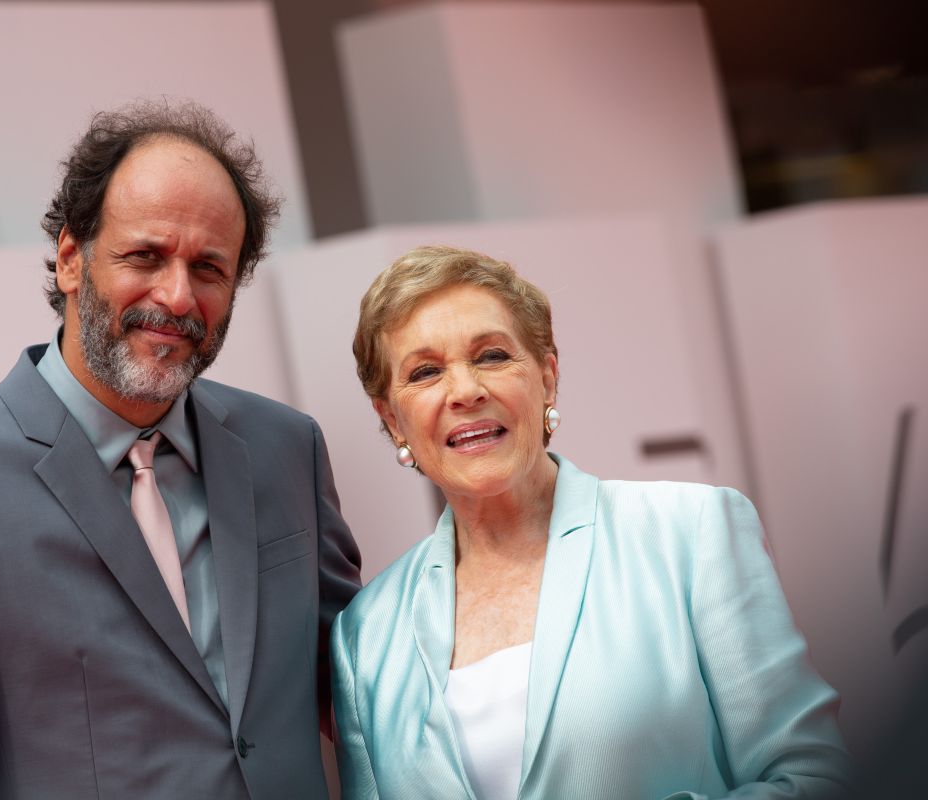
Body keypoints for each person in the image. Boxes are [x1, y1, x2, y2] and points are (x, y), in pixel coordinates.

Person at [0, 100, 362, 799]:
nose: (178, 297)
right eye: (145, 256)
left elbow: (361, 692)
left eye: (209, 268)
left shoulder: (285, 448)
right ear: (70, 259)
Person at [331, 245, 851, 799]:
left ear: (548, 377)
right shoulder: (365, 637)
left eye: (491, 357)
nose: (466, 391)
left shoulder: (691, 532)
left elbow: (815, 778)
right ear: (392, 418)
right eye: (426, 372)